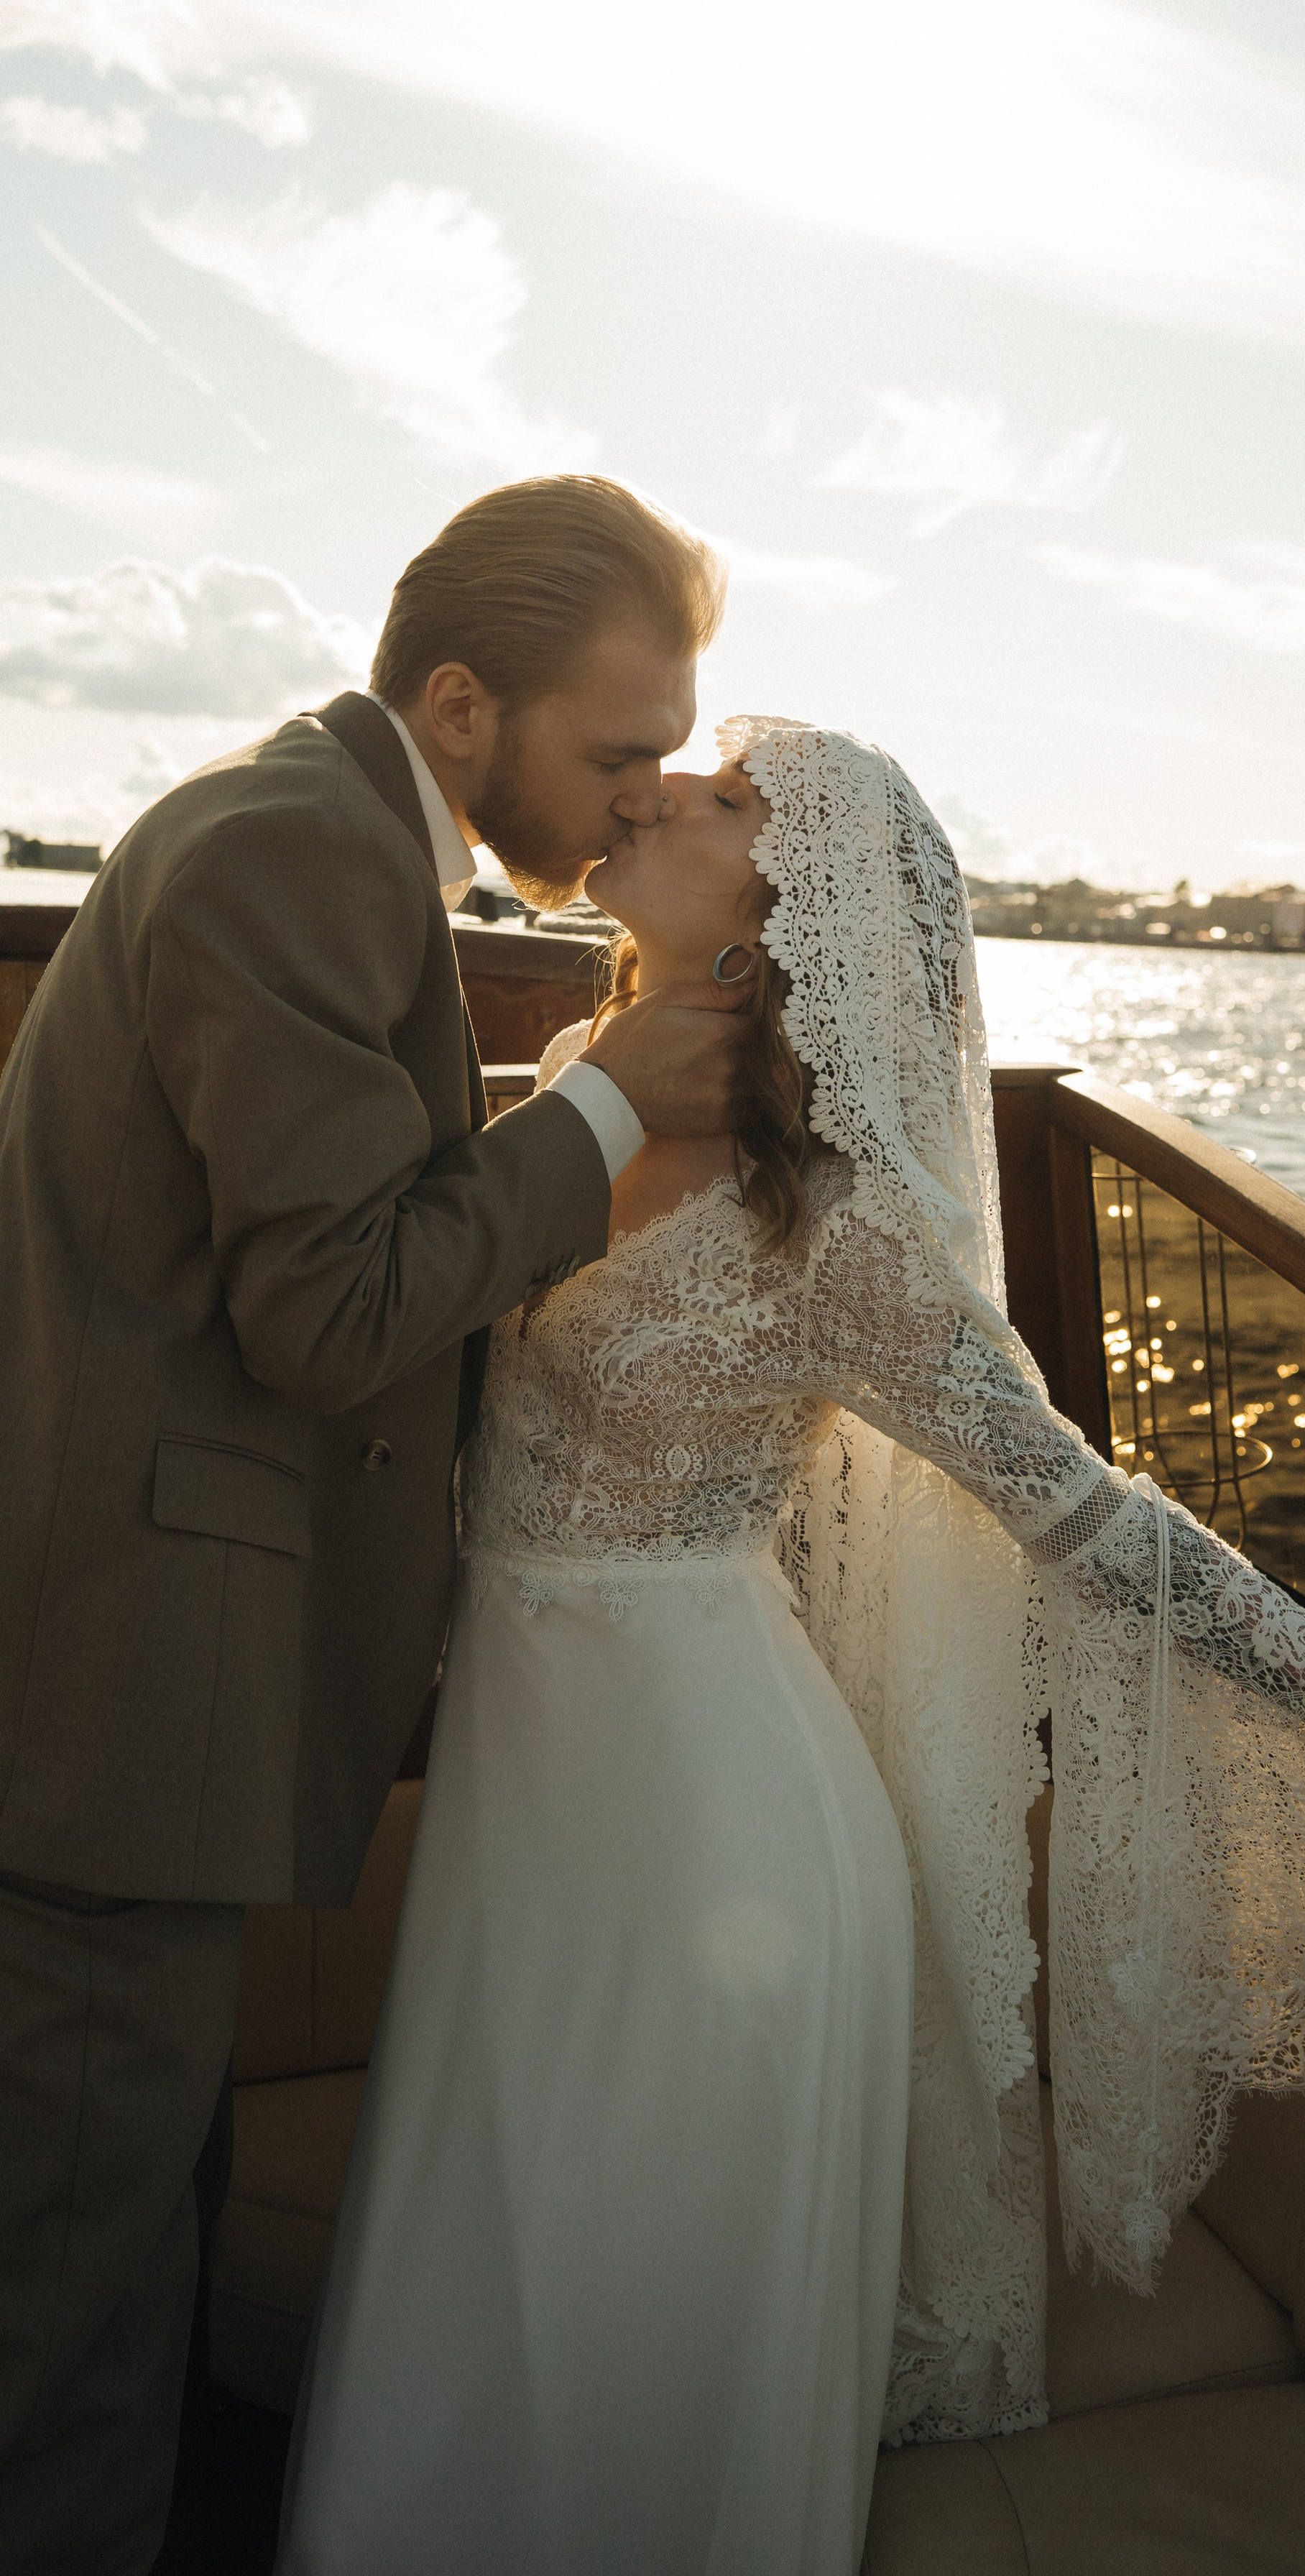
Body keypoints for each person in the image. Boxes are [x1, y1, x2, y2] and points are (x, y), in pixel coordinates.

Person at [276, 718, 1305, 2575]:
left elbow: (1112, 1537)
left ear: (788, 919)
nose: (651, 790)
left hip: (704, 1834)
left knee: (615, 2335)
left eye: (724, 798)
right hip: (533, 1785)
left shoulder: (841, 1230)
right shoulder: (577, 1071)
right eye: (673, 772)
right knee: (479, 2259)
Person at [0, 476, 757, 2576]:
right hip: (111, 1716)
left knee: (115, 2248)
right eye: (613, 754)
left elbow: (330, 1191)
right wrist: (616, 1111)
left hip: (136, 1694)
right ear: (453, 706)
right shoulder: (293, 857)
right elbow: (330, 1307)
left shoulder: (318, 833)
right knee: (64, 2334)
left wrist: (579, 1099)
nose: (632, 806)